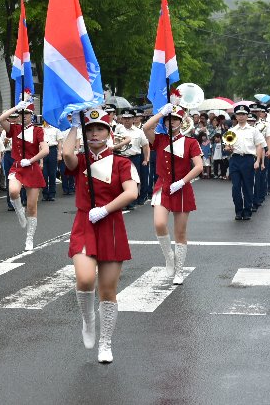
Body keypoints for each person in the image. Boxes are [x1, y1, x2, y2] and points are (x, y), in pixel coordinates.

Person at [62, 108, 137, 364]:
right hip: (84, 223)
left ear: (109, 133)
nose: (94, 133)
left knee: (107, 290)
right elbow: (66, 154)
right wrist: (74, 124)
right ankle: (87, 319)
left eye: (100, 128)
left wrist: (104, 209)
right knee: (84, 280)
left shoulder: (122, 163)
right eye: (90, 129)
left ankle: (106, 342)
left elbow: (131, 193)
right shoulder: (82, 161)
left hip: (111, 224)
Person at [143, 103, 203, 285]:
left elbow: (199, 166)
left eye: (174, 119)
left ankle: (179, 271)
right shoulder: (160, 139)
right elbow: (146, 127)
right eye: (168, 120)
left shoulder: (190, 142)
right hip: (162, 185)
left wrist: (182, 182)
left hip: (182, 188)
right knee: (159, 224)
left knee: (180, 232)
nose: (170, 123)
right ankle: (169, 258)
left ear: (181, 122)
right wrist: (161, 112)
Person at [0, 95, 49, 251]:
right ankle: (18, 210)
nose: (23, 116)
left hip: (32, 168)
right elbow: (1, 119)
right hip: (18, 166)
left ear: (31, 115)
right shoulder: (14, 128)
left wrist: (32, 160)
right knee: (13, 191)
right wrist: (16, 107)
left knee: (32, 208)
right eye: (21, 114)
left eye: (26, 113)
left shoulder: (38, 130)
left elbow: (46, 150)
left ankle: (29, 238)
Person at [225, 105, 266, 220]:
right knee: (236, 187)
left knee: (248, 187)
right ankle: (238, 211)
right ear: (236, 116)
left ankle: (247, 210)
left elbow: (259, 146)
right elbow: (227, 147)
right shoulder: (231, 131)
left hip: (248, 160)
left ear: (247, 116)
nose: (241, 116)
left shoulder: (253, 130)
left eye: (243, 114)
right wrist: (228, 149)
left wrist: (257, 161)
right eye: (239, 114)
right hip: (235, 160)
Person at [113, 109, 149, 210]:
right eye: (125, 118)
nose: (126, 121)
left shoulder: (139, 132)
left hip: (134, 158)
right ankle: (123, 202)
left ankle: (132, 202)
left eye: (129, 118)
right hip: (121, 157)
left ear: (133, 119)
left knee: (133, 180)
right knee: (120, 180)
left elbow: (145, 146)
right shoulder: (118, 129)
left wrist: (146, 159)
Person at [41, 118, 64, 201]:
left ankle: (52, 193)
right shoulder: (40, 128)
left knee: (52, 173)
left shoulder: (55, 129)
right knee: (44, 173)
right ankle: (44, 193)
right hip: (42, 150)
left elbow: (60, 143)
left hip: (52, 150)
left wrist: (59, 154)